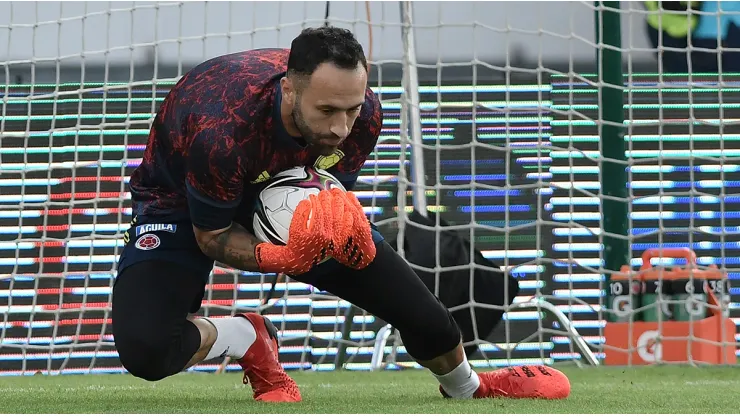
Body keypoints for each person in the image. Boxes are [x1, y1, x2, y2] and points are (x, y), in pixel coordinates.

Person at [112, 26, 571, 403]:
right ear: (288, 89)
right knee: (147, 350)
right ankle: (246, 336)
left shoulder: (365, 117)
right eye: (327, 110)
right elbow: (211, 234)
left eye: (350, 109)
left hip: (284, 188)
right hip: (178, 197)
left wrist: (332, 228)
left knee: (423, 313)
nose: (339, 127)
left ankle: (468, 389)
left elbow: (327, 184)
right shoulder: (221, 129)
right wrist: (280, 257)